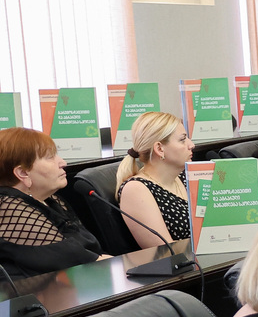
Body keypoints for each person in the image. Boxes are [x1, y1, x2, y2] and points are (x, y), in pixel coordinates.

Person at [0, 128, 100, 277]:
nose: (63, 163)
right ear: (23, 173)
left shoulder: (50, 199)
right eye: (50, 157)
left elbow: (90, 253)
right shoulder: (8, 208)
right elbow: (72, 259)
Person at [114, 111, 193, 249]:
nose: (191, 145)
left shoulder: (185, 176)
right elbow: (166, 251)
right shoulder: (136, 190)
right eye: (182, 139)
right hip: (184, 262)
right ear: (159, 149)